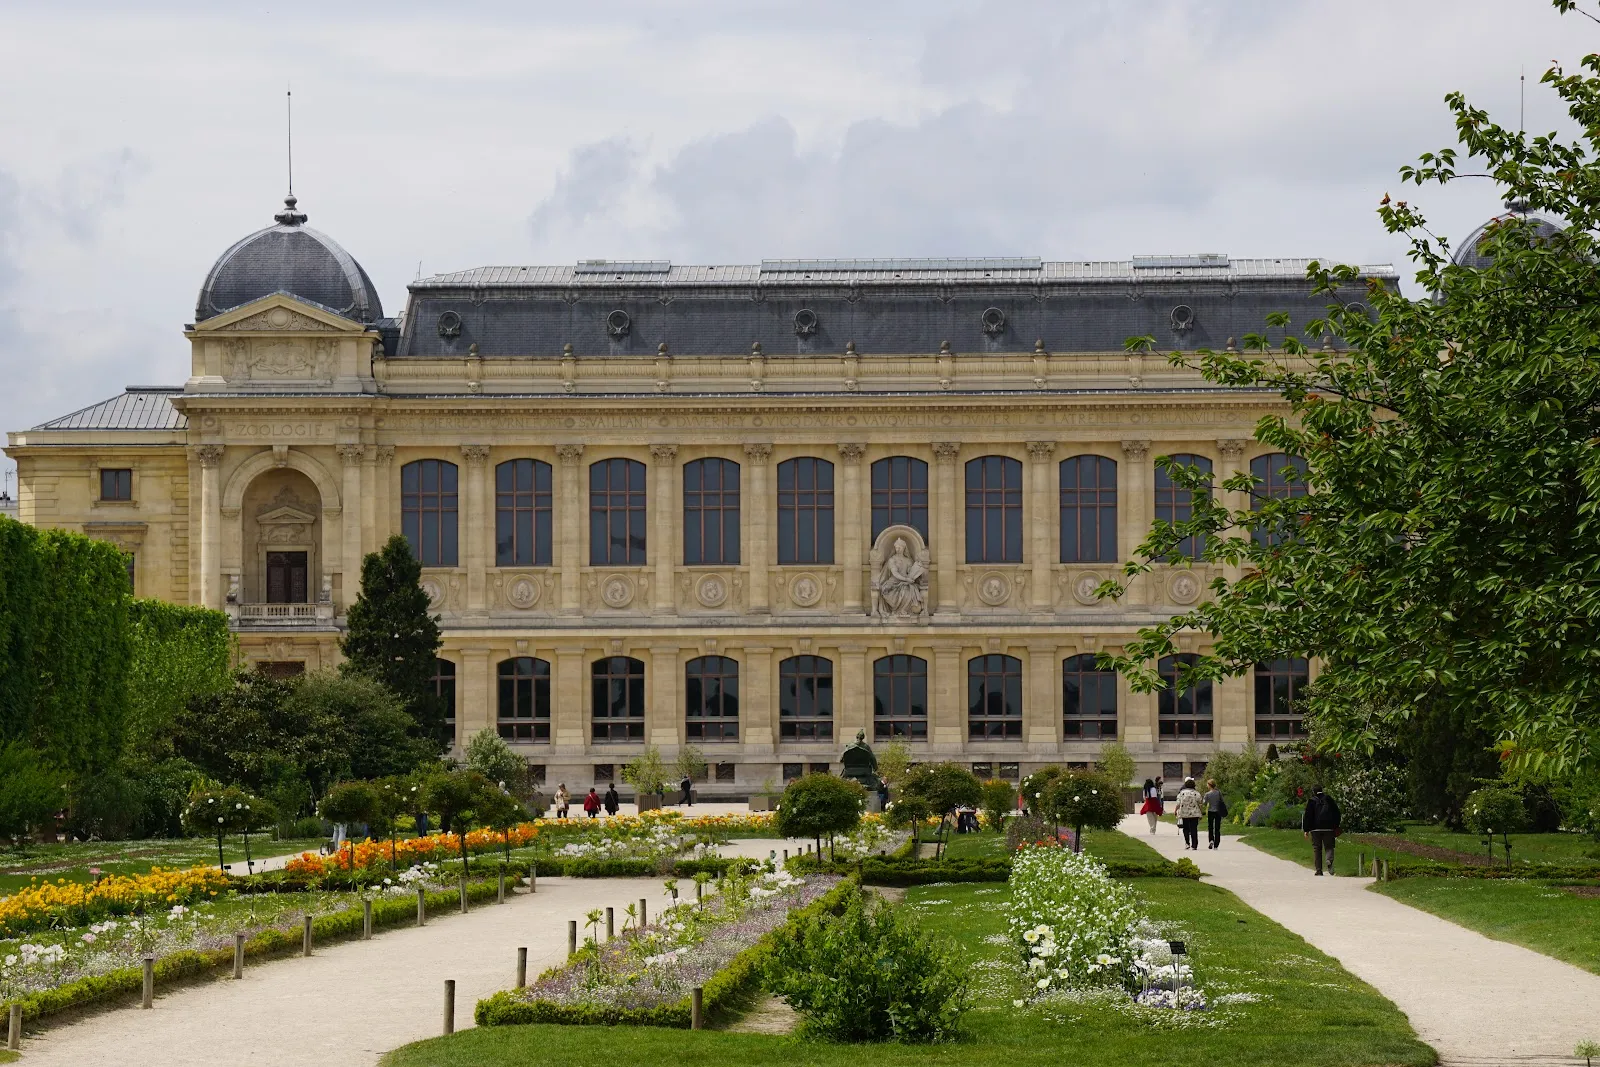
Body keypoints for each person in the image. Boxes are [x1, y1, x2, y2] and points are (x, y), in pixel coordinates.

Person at [1302, 785, 1343, 875]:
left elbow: (1308, 816)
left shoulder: (1312, 801)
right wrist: (1335, 825)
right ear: (1322, 790)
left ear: (1313, 791)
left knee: (1317, 849)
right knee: (1329, 847)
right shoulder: (1328, 799)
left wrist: (1306, 829)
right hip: (1328, 828)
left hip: (1315, 829)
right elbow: (1337, 812)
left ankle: (1319, 870)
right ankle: (1329, 859)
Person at [1174, 778, 1204, 850]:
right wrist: (1201, 812)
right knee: (1194, 829)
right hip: (1194, 813)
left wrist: (1175, 810)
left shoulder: (1181, 793)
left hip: (1184, 813)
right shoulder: (1197, 793)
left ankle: (1187, 843)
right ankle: (1194, 845)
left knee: (1186, 829)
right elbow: (1200, 804)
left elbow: (1178, 803)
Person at [1203, 778, 1228, 849]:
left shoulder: (1207, 794)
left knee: (1210, 827)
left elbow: (1204, 803)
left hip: (1211, 811)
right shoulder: (1218, 793)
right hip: (1218, 811)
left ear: (1209, 785)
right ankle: (1216, 843)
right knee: (1217, 828)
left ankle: (1211, 840)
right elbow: (1222, 800)